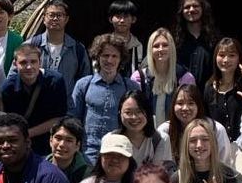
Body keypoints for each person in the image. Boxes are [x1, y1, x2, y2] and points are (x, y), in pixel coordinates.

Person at [69, 34, 140, 164]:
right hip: (88, 152)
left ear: (120, 59)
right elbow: (73, 119)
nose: (109, 60)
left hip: (119, 150)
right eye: (105, 55)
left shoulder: (131, 87)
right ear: (97, 57)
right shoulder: (83, 84)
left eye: (114, 56)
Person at [0, 42, 69, 155]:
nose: (29, 67)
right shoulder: (8, 88)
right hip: (20, 145)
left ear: (40, 63)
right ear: (15, 64)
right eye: (23, 62)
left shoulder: (55, 82)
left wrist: (28, 133)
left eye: (33, 62)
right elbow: (8, 120)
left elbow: (58, 118)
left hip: (48, 144)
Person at [157, 83, 232, 168]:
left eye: (191, 103)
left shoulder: (216, 129)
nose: (185, 108)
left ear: (198, 106)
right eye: (180, 103)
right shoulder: (165, 131)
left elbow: (225, 164)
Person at [24, 0, 91, 94]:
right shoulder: (30, 46)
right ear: (43, 18)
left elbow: (85, 81)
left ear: (66, 19)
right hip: (35, 105)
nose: (55, 19)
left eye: (59, 15)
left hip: (66, 106)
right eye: (51, 15)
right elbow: (14, 75)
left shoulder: (77, 49)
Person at [203, 37, 242, 148]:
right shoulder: (209, 87)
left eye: (232, 55)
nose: (226, 60)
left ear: (239, 58)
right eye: (222, 55)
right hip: (218, 149)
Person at [132, 27, 195, 125]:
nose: (160, 49)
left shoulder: (185, 77)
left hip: (176, 133)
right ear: (150, 50)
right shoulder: (139, 77)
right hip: (148, 134)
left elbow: (190, 111)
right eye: (156, 46)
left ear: (172, 48)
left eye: (165, 45)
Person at [173, 0, 218, 88]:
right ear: (182, 11)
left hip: (209, 96)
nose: (191, 10)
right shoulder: (174, 40)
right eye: (187, 7)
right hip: (182, 96)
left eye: (195, 6)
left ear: (202, 8)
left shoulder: (214, 38)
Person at [117, 89, 171, 169]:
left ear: (148, 113)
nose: (134, 117)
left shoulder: (160, 139)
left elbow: (158, 174)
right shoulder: (111, 139)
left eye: (139, 111)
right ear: (120, 113)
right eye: (128, 112)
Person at [47, 117, 92, 183]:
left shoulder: (88, 177)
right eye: (58, 138)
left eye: (69, 140)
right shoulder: (37, 167)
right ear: (51, 140)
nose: (62, 144)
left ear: (77, 146)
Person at [107, 0, 146, 77]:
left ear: (133, 19)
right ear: (110, 19)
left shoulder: (140, 47)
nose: (122, 20)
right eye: (118, 16)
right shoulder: (104, 45)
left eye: (126, 17)